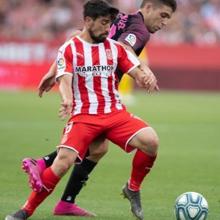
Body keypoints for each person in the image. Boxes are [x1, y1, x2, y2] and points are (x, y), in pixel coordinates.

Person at [21, 0, 176, 219]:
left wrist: (51, 70)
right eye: (163, 15)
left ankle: (66, 201)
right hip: (93, 95)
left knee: (98, 148)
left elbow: (77, 36)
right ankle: (42, 167)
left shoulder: (120, 17)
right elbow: (124, 48)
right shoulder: (140, 29)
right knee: (83, 149)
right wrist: (143, 68)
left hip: (103, 100)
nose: (164, 23)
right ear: (148, 7)